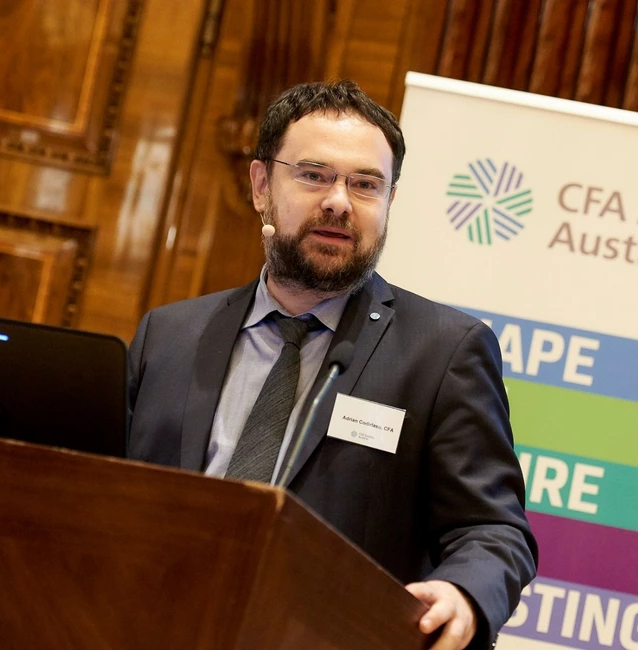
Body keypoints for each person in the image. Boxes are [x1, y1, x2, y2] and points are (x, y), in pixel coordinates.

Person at [128, 80, 538, 650]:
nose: (340, 202)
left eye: (366, 184)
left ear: (389, 201)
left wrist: (464, 595)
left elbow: (492, 530)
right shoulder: (169, 336)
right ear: (261, 186)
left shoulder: (442, 353)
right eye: (314, 175)